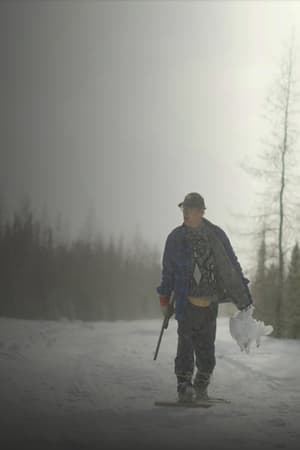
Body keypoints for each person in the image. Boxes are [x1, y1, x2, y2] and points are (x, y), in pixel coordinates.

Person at [156, 192, 253, 403]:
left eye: (189, 210)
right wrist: (164, 299)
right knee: (185, 347)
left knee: (207, 351)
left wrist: (243, 295)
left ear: (201, 212)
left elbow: (231, 265)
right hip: (185, 302)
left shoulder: (216, 235)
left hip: (209, 304)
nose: (185, 214)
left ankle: (201, 387)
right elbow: (168, 272)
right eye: (184, 210)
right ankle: (184, 387)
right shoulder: (175, 238)